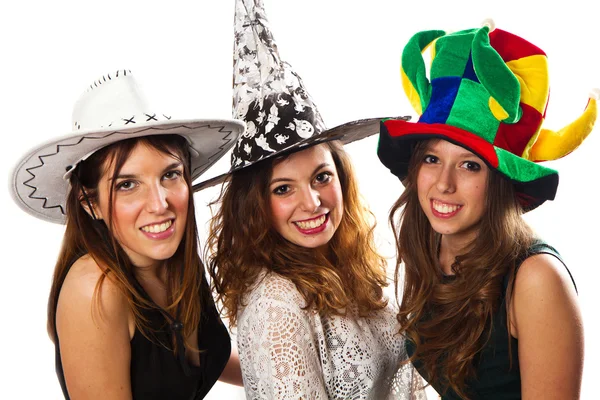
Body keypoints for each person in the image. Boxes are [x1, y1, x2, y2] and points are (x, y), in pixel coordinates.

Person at [198, 0, 424, 399]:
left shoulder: (348, 267)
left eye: (321, 177)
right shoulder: (277, 307)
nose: (313, 202)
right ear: (256, 205)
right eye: (283, 188)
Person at [377, 21, 598, 399]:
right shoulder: (434, 246)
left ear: (499, 179)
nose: (444, 184)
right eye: (432, 158)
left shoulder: (536, 279)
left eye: (470, 165)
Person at [9, 70, 246, 399]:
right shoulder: (95, 289)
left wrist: (291, 367)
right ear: (90, 203)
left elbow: (206, 360)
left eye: (170, 174)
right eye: (127, 184)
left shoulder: (177, 259)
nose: (159, 204)